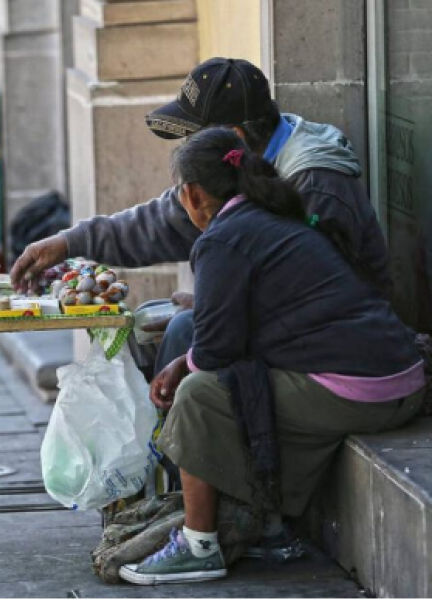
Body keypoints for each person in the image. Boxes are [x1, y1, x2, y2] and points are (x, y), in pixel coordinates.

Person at [114, 127, 424, 585]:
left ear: (192, 194)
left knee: (200, 395)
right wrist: (188, 358)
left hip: (364, 389)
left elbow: (216, 353)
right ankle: (267, 526)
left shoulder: (224, 238)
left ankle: (199, 545)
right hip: (399, 378)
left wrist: (183, 366)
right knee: (235, 379)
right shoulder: (274, 216)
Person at [10, 57, 391, 382]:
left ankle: (178, 462)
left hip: (340, 350)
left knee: (183, 336)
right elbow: (163, 221)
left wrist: (218, 308)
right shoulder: (233, 168)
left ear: (233, 137)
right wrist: (69, 242)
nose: (184, 152)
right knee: (144, 326)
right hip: (285, 324)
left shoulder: (316, 183)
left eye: (191, 140)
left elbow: (324, 296)